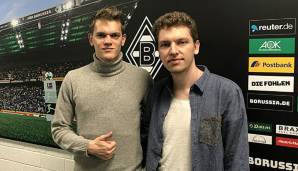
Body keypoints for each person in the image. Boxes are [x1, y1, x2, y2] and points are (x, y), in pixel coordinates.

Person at [145, 11, 249, 171]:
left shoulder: (226, 92)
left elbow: (237, 160)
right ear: (159, 50)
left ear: (196, 47)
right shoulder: (156, 92)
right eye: (165, 44)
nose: (173, 51)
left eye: (181, 42)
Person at [51, 6, 152, 171]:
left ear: (123, 39)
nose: (107, 41)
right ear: (91, 39)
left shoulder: (142, 78)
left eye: (114, 35)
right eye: (101, 35)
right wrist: (87, 146)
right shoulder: (73, 78)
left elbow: (151, 130)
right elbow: (58, 129)